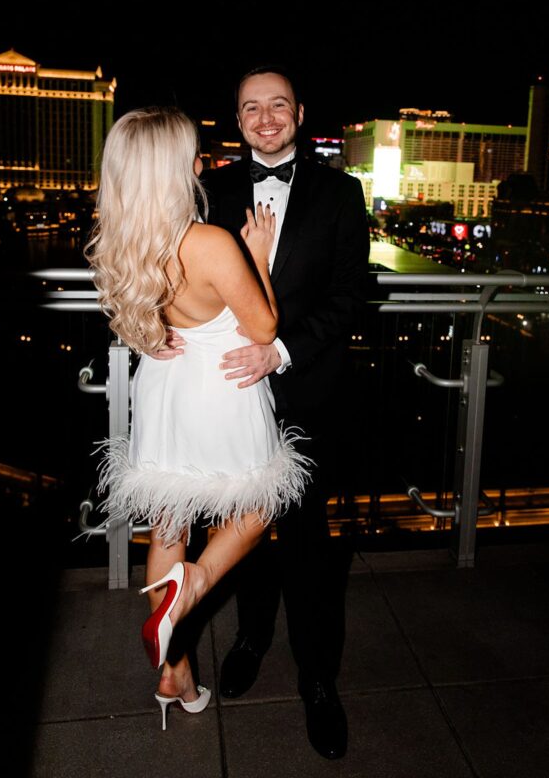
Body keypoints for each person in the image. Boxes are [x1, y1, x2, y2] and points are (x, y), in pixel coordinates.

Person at [165, 66, 369, 758]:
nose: (265, 117)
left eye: (277, 104)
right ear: (237, 118)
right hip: (226, 396)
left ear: (299, 113)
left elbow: (347, 301)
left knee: (309, 548)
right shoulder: (208, 190)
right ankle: (250, 638)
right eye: (251, 107)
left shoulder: (342, 193)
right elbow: (179, 278)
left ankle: (317, 682)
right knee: (238, 536)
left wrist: (278, 352)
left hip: (304, 395)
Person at [86, 106, 310, 731]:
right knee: (258, 507)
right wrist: (258, 254)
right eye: (194, 153)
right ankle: (198, 581)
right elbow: (264, 327)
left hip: (162, 389)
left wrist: (151, 335)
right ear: (177, 170)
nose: (203, 162)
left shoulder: (122, 239)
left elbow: (135, 321)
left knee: (167, 525)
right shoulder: (208, 242)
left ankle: (173, 670)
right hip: (222, 388)